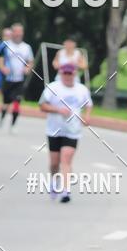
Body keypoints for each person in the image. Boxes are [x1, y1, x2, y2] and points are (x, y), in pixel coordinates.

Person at [38, 63, 93, 203]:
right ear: (61, 73)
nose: (68, 76)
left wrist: (87, 117)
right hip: (54, 130)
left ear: (75, 74)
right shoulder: (53, 87)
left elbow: (88, 104)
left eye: (71, 74)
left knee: (66, 160)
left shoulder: (81, 89)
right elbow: (42, 106)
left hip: (73, 131)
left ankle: (65, 191)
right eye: (65, 73)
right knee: (54, 162)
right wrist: (57, 110)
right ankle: (54, 181)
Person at [0, 23, 34, 130]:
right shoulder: (5, 45)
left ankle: (13, 125)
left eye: (20, 32)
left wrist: (27, 68)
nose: (18, 34)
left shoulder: (26, 47)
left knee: (17, 102)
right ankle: (2, 117)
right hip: (8, 79)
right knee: (5, 103)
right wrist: (2, 68)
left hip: (20, 79)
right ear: (12, 32)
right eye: (16, 31)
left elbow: (30, 61)